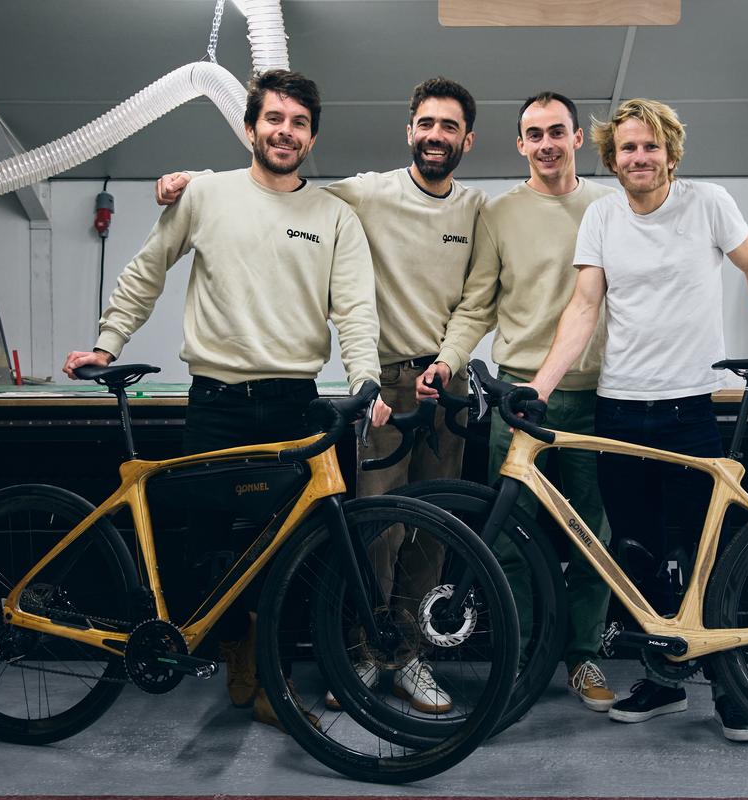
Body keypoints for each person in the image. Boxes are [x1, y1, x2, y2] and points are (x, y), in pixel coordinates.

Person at [63, 69, 391, 731]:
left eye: (299, 123)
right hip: (215, 402)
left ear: (311, 137)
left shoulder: (333, 217)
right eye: (274, 119)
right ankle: (238, 651)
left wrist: (367, 381)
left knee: (288, 550)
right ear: (250, 127)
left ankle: (270, 677)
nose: (285, 131)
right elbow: (146, 270)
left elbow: (355, 310)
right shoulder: (206, 194)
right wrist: (107, 340)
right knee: (209, 546)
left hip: (294, 405)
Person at [155, 77, 488, 715]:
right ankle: (365, 651)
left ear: (466, 139)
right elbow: (277, 191)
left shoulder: (478, 210)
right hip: (386, 387)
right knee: (374, 529)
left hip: (448, 386)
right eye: (426, 123)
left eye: (449, 126)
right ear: (409, 129)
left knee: (434, 534)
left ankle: (410, 656)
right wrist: (194, 183)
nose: (436, 135)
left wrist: (448, 362)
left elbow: (479, 300)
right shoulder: (362, 193)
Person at [525, 98, 748, 742]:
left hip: (688, 407)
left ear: (671, 153)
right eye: (627, 148)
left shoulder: (708, 203)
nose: (639, 157)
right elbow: (583, 307)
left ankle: (729, 687)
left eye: (650, 146)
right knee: (638, 554)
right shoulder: (602, 216)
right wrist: (540, 388)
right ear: (611, 157)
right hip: (620, 408)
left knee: (703, 551)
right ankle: (663, 679)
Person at [425, 91, 620, 713]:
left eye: (557, 132)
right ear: (520, 144)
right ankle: (526, 656)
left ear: (577, 139)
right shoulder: (500, 214)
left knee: (594, 534)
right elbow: (478, 303)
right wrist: (450, 359)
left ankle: (583, 655)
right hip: (520, 397)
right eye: (534, 134)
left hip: (598, 396)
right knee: (510, 536)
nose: (546, 144)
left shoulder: (611, 206)